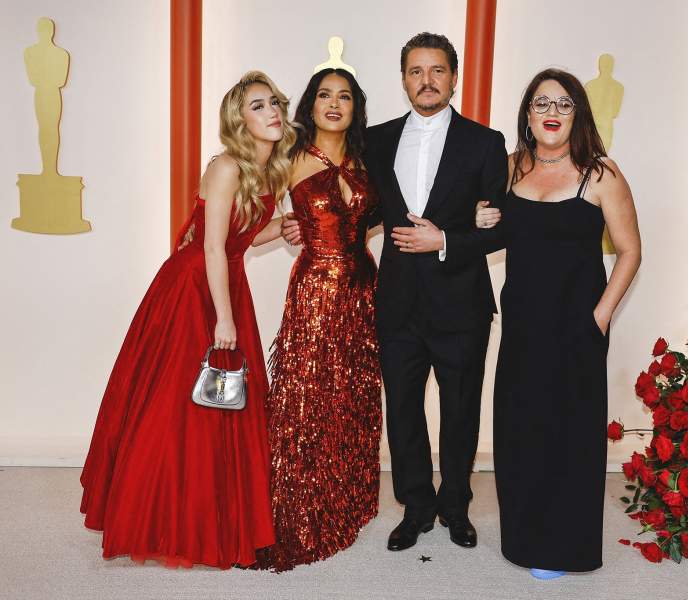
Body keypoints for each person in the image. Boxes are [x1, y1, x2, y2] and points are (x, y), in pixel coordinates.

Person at [79, 71, 296, 569]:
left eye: (275, 103)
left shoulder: (269, 171)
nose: (272, 112)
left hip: (224, 281)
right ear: (239, 120)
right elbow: (213, 246)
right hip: (193, 287)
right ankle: (160, 517)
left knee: (223, 403)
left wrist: (285, 226)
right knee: (177, 401)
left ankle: (216, 518)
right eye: (258, 106)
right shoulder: (226, 167)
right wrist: (224, 318)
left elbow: (242, 238)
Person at [478, 68, 641, 579]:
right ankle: (524, 539)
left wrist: (600, 317)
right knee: (521, 429)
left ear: (578, 115)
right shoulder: (509, 168)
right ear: (527, 114)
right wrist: (482, 217)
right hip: (523, 326)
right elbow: (489, 230)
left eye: (564, 103)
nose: (552, 112)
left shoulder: (601, 174)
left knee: (569, 435)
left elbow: (630, 252)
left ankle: (564, 549)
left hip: (577, 327)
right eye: (542, 103)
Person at [365, 32, 508, 551]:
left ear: (454, 77)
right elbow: (362, 210)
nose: (427, 81)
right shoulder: (375, 140)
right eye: (416, 71)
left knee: (461, 409)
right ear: (404, 80)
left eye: (437, 70)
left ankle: (456, 507)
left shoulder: (486, 142)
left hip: (462, 301)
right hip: (397, 300)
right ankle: (416, 508)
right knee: (403, 410)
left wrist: (445, 239)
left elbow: (501, 227)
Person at [253, 68, 382, 571]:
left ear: (355, 108)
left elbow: (376, 217)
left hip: (363, 292)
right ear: (310, 105)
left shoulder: (368, 160)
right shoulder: (289, 158)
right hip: (314, 292)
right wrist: (284, 225)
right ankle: (299, 509)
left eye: (344, 96)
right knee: (306, 399)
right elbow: (247, 219)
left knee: (352, 398)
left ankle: (343, 501)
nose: (334, 104)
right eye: (324, 95)